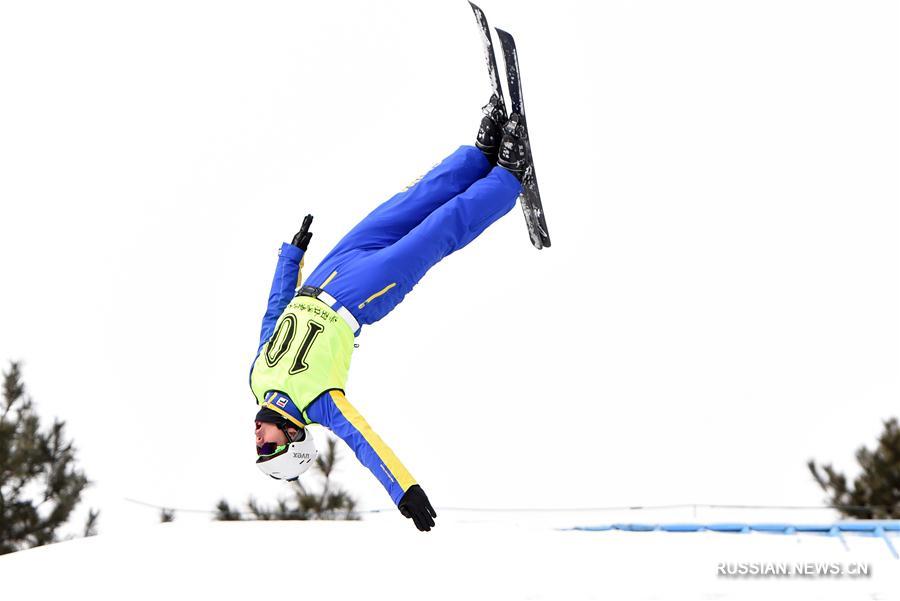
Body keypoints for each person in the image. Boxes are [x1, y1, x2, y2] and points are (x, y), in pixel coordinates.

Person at [251, 97, 528, 532]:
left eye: (259, 448)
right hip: (361, 297)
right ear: (291, 441)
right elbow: (367, 444)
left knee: (408, 203)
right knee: (439, 229)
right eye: (267, 449)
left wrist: (291, 256)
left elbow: (274, 315)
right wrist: (403, 490)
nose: (258, 441)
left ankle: (478, 155)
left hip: (327, 271)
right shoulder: (320, 405)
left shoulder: (256, 379)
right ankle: (507, 177)